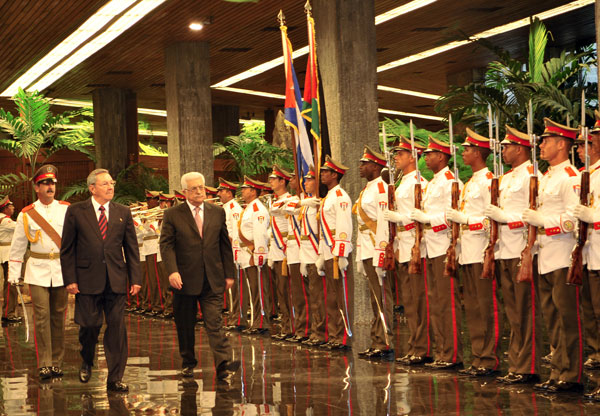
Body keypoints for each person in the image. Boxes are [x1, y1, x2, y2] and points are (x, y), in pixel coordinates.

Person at [61, 168, 141, 392]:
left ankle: (115, 378)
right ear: (92, 188)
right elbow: (67, 249)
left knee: (117, 330)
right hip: (86, 280)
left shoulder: (122, 211)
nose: (110, 187)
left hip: (116, 280)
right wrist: (70, 279)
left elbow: (131, 248)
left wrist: (136, 278)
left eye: (111, 183)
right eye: (105, 184)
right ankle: (87, 359)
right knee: (89, 326)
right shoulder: (77, 212)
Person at [159, 172, 239, 382]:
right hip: (184, 279)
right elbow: (166, 246)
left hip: (212, 278)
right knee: (185, 325)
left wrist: (229, 273)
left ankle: (223, 365)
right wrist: (172, 271)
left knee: (215, 322)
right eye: (193, 188)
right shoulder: (173, 214)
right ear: (185, 191)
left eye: (201, 187)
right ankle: (188, 363)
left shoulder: (217, 212)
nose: (199, 191)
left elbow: (224, 244)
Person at [523, 118, 583, 394]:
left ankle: (571, 374)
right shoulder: (547, 177)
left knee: (567, 317)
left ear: (562, 144)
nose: (541, 145)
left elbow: (574, 220)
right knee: (551, 316)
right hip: (544, 253)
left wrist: (544, 221)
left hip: (562, 252)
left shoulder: (571, 176)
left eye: (546, 141)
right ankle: (558, 369)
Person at [485, 125, 543, 384]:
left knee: (525, 309)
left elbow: (533, 213)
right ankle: (517, 362)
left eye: (507, 147)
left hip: (522, 249)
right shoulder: (507, 178)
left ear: (520, 149)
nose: (503, 151)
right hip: (503, 249)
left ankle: (528, 366)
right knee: (512, 309)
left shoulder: (532, 175)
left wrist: (505, 217)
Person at [446, 129, 502, 377]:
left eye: (467, 149)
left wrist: (466, 219)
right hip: (467, 250)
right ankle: (479, 356)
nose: (463, 153)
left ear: (478, 153)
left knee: (485, 306)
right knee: (472, 307)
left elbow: (492, 220)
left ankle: (489, 359)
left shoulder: (490, 180)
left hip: (482, 250)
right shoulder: (470, 182)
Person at [9, 165, 69, 379]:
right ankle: (44, 363)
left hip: (61, 270)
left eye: (52, 183)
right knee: (42, 316)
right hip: (37, 270)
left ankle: (57, 362)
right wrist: (14, 275)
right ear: (37, 187)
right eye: (45, 183)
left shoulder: (66, 209)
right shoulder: (26, 214)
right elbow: (17, 246)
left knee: (59, 316)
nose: (50, 187)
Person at [410, 136, 464, 369]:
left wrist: (429, 219)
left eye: (430, 154)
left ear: (442, 156)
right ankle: (442, 351)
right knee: (435, 301)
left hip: (444, 244)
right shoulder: (433, 182)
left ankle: (451, 354)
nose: (426, 157)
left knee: (447, 302)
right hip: (430, 246)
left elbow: (454, 215)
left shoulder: (451, 182)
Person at [383, 137, 432, 365]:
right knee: (409, 301)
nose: (396, 158)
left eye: (401, 154)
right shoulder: (403, 181)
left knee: (418, 299)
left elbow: (418, 216)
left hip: (415, 244)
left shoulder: (419, 183)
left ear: (413, 157)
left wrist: (400, 218)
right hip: (402, 244)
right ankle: (414, 344)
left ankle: (422, 347)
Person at [354, 146, 393, 360]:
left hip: (376, 247)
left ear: (376, 166)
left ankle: (385, 342)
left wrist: (381, 252)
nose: (360, 167)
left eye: (364, 164)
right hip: (366, 247)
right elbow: (361, 225)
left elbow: (383, 223)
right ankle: (377, 340)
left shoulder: (381, 188)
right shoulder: (368, 188)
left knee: (382, 296)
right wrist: (360, 255)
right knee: (374, 298)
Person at [574, 112, 600, 400]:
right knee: (593, 313)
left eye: (589, 142)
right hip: (591, 252)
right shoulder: (588, 175)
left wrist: (592, 216)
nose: (583, 149)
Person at [318, 156, 353, 351]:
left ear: (335, 175)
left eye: (326, 172)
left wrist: (341, 254)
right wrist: (322, 254)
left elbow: (343, 226)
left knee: (340, 295)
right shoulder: (328, 197)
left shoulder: (340, 197)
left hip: (336, 250)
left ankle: (344, 336)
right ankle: (334, 335)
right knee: (331, 296)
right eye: (322, 171)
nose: (322, 174)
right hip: (328, 250)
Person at [238, 176, 271, 334]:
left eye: (245, 189)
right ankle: (256, 321)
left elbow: (260, 234)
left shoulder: (258, 209)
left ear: (253, 191)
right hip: (246, 253)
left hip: (253, 253)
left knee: (258, 289)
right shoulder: (249, 208)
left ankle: (261, 322)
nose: (242, 191)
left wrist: (258, 253)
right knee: (253, 290)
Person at [267, 165, 293, 340]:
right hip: (276, 251)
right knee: (281, 292)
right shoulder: (275, 200)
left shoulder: (290, 199)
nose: (270, 182)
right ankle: (285, 326)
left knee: (288, 291)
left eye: (274, 179)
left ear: (283, 181)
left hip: (285, 250)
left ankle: (291, 326)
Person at [217, 177, 246, 331]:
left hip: (234, 252)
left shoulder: (234, 208)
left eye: (221, 190)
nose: (219, 193)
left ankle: (238, 318)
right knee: (231, 289)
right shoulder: (226, 207)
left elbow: (235, 233)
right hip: (227, 252)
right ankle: (233, 316)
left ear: (229, 192)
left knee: (236, 288)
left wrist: (233, 253)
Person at [0, 196, 20, 324]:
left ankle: (9, 312)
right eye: (11, 206)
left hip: (6, 254)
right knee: (10, 285)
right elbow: (21, 227)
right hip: (8, 255)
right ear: (6, 208)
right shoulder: (5, 221)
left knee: (9, 284)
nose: (13, 208)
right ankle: (8, 313)